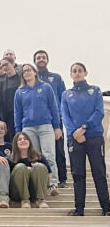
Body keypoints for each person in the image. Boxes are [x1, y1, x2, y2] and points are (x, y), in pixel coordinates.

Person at [61, 62, 110, 216]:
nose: (77, 73)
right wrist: (75, 133)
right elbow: (65, 115)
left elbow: (99, 112)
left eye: (80, 70)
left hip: (93, 136)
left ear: (85, 73)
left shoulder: (95, 90)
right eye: (74, 71)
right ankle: (79, 209)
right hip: (74, 139)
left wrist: (83, 128)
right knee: (77, 174)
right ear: (71, 74)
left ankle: (107, 208)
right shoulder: (66, 94)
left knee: (99, 172)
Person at [14, 63, 61, 196]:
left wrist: (57, 127)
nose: (27, 73)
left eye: (29, 70)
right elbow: (17, 112)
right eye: (24, 71)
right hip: (28, 128)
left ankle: (53, 184)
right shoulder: (19, 91)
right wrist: (19, 131)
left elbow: (54, 107)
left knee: (49, 154)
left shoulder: (46, 87)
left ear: (35, 72)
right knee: (34, 156)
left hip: (46, 126)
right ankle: (39, 184)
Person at [34, 50, 67, 188]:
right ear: (34, 61)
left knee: (58, 149)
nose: (41, 59)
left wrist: (61, 118)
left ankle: (62, 178)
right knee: (40, 151)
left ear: (47, 60)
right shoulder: (31, 79)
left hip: (55, 119)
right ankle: (43, 178)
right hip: (37, 121)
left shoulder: (56, 78)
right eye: (38, 58)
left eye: (43, 57)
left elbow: (63, 98)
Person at [9, 132, 51, 208]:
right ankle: (25, 200)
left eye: (25, 139)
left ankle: (41, 200)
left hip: (36, 191)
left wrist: (32, 171)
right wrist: (26, 171)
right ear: (15, 143)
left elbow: (49, 175)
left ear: (29, 142)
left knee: (39, 166)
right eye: (19, 139)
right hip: (17, 192)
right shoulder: (10, 159)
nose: (23, 140)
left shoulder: (39, 157)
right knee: (20, 167)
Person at [0, 57, 21, 142]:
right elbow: (1, 102)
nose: (4, 67)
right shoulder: (2, 83)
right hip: (9, 116)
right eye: (3, 66)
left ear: (13, 64)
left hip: (22, 114)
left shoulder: (21, 79)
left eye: (6, 64)